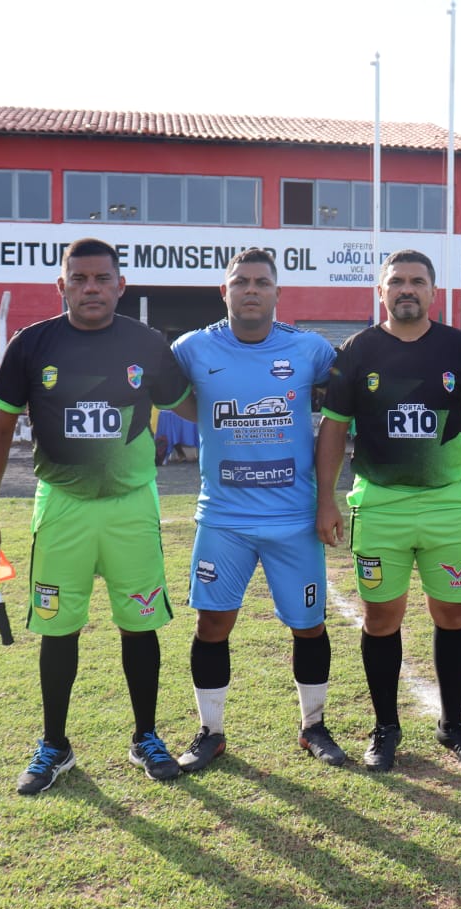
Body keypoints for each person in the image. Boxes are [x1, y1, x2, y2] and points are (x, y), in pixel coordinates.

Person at [0, 237, 191, 795]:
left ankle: (145, 736)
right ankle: (55, 745)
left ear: (121, 284)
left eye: (101, 278)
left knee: (140, 624)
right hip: (61, 505)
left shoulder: (147, 343)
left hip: (131, 504)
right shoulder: (32, 344)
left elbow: (193, 403)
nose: (91, 287)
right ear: (61, 284)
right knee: (58, 627)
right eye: (80, 278)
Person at [315, 250, 461, 772]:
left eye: (417, 281)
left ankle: (454, 724)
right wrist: (326, 499)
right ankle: (385, 727)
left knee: (453, 614)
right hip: (379, 506)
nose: (407, 289)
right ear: (381, 291)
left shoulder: (458, 348)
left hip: (449, 504)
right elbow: (333, 428)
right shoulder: (356, 351)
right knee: (381, 619)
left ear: (433, 291)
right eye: (397, 281)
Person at [167, 249, 346, 771]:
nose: (251, 289)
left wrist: (328, 497)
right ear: (224, 291)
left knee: (309, 625)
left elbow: (345, 401)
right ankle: (210, 732)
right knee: (212, 625)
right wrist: (204, 417)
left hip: (295, 519)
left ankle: (313, 726)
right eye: (240, 281)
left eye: (261, 282)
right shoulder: (192, 348)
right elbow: (170, 394)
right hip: (224, 519)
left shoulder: (308, 349)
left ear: (276, 293)